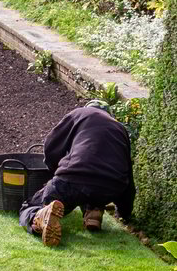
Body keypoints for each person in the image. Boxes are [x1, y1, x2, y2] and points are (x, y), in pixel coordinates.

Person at [20, 103, 135, 247]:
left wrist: (55, 173)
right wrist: (125, 213)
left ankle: (39, 217)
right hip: (111, 187)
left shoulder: (80, 114)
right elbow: (128, 178)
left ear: (88, 108)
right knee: (92, 185)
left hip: (74, 180)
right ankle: (94, 211)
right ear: (109, 114)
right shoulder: (120, 129)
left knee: (28, 206)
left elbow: (51, 144)